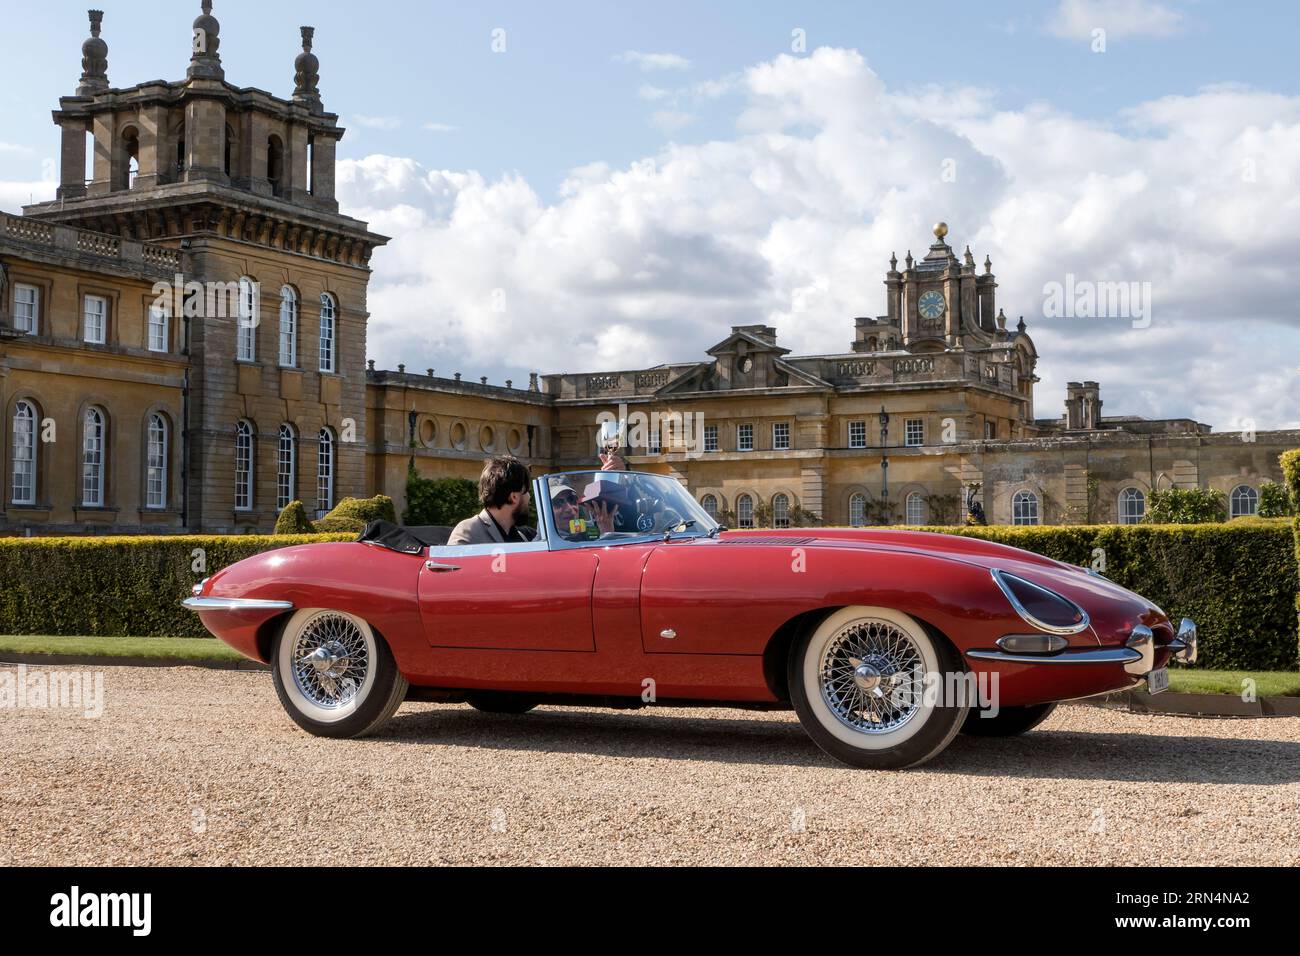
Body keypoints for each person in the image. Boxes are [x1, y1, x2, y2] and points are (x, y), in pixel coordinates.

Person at [448, 455, 536, 545]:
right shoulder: (468, 531)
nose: (529, 497)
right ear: (513, 497)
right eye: (527, 491)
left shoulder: (522, 538)